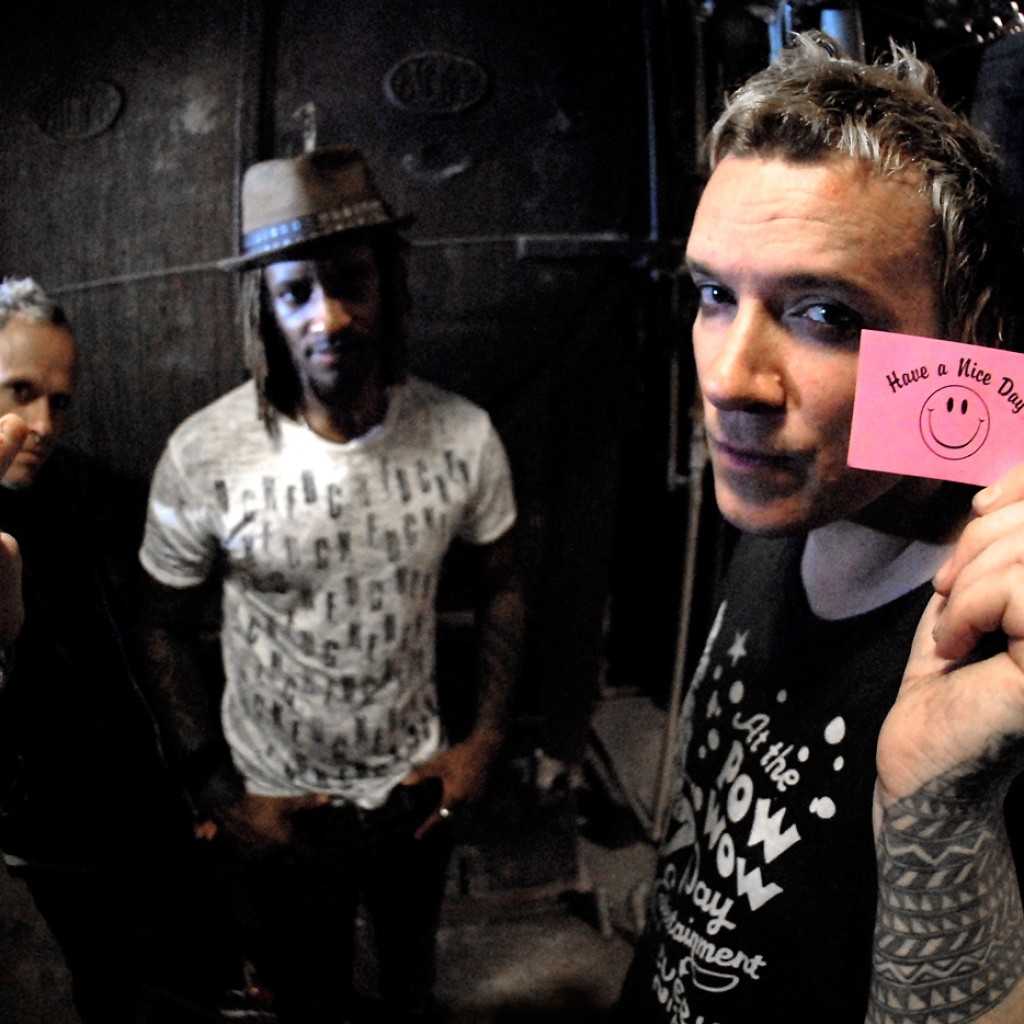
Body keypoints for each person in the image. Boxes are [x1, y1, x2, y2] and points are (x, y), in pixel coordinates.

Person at [616, 32, 1024, 1024]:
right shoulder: (796, 501)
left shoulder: (997, 666)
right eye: (715, 296)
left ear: (971, 341)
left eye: (826, 316)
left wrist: (938, 814)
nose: (730, 381)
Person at [137, 144, 523, 1024]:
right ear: (265, 309)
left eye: (353, 282)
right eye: (296, 293)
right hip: (281, 806)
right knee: (308, 1000)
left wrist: (484, 743)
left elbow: (503, 585)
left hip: (413, 792)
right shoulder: (204, 453)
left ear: (390, 284)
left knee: (408, 987)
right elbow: (159, 623)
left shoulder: (463, 435)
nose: (331, 316)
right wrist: (218, 792)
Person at [0, 277, 234, 1022]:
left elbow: (144, 653)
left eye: (60, 401)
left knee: (188, 984)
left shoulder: (91, 498)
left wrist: (192, 780)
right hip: (45, 839)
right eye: (20, 392)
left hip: (143, 815)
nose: (43, 424)